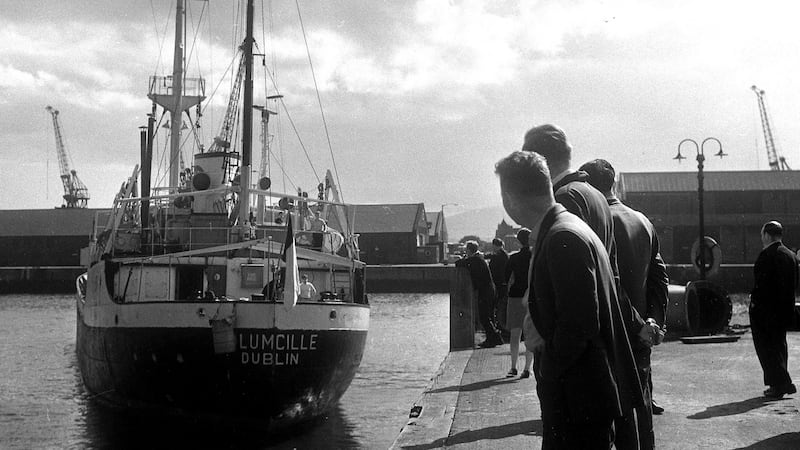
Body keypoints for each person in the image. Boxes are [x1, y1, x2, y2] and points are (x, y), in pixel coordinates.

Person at [495, 151, 643, 448]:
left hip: (577, 402)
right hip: (583, 400)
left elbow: (579, 325)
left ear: (510, 198)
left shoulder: (562, 237)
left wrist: (547, 366)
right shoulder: (567, 228)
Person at [581, 158, 670, 447]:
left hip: (609, 333)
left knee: (608, 419)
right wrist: (653, 320)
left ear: (587, 185)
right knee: (641, 407)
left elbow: (609, 282)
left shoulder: (594, 222)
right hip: (642, 332)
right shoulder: (643, 220)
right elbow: (659, 277)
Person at [749, 220, 799, 398]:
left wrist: (754, 303)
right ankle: (780, 383)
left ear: (767, 235)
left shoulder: (767, 255)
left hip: (765, 311)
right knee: (779, 346)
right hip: (784, 310)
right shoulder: (790, 255)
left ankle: (780, 384)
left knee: (766, 348)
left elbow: (761, 285)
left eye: (762, 234)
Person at [456, 240, 504, 348]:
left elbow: (459, 264)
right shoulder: (478, 259)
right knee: (488, 315)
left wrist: (462, 258)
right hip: (490, 290)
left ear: (468, 250)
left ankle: (494, 338)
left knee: (484, 316)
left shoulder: (474, 259)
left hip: (485, 291)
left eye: (466, 250)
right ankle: (494, 338)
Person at [503, 228, 534, 379]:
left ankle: (513, 367)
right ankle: (527, 369)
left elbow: (505, 277)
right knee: (529, 335)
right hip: (531, 298)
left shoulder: (513, 258)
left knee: (515, 334)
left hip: (515, 297)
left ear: (518, 241)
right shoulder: (535, 256)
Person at [487, 238, 510, 338]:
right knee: (500, 307)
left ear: (495, 245)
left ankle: (501, 328)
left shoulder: (499, 256)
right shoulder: (503, 254)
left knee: (499, 307)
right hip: (502, 284)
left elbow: (495, 268)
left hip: (499, 285)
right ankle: (501, 327)